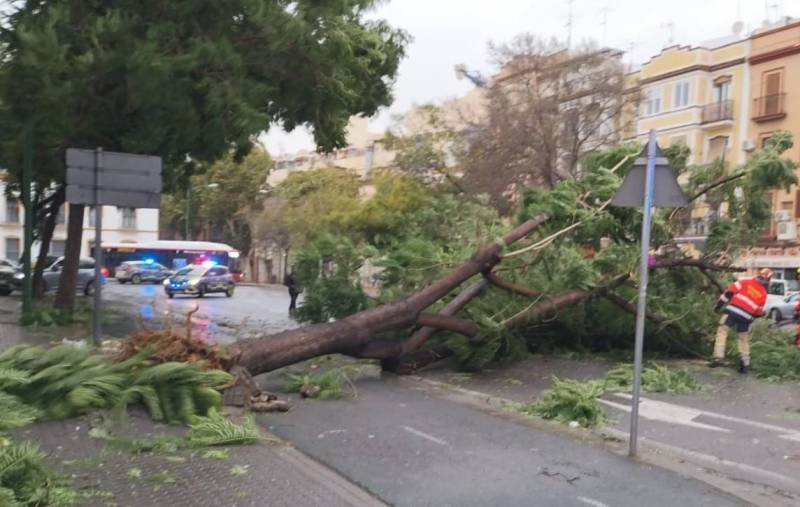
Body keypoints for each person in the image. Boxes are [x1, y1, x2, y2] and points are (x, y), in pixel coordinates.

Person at [710, 268, 772, 374]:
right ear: (768, 280)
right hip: (746, 317)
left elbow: (729, 293)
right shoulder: (763, 293)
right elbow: (759, 311)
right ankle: (745, 363)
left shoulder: (745, 282)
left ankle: (718, 358)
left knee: (722, 331)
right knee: (743, 338)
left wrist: (718, 306)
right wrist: (754, 317)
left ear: (758, 274)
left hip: (732, 312)